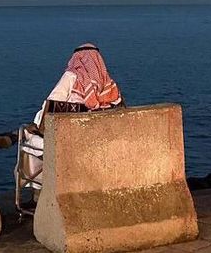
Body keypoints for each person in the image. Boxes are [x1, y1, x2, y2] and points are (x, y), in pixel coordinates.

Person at [8, 42, 124, 192]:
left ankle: (38, 193)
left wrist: (38, 125)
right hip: (94, 140)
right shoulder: (108, 84)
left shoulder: (71, 76)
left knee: (29, 145)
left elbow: (51, 105)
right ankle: (19, 134)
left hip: (67, 140)